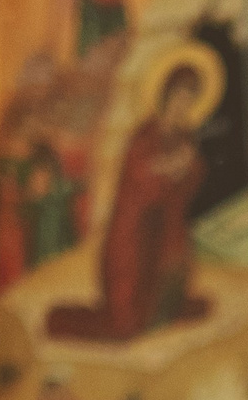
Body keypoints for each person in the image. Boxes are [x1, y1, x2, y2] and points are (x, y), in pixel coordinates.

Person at [47, 59, 213, 346]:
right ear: (166, 97)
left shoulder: (184, 136)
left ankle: (160, 311)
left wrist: (188, 167)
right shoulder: (144, 135)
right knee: (126, 325)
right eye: (179, 99)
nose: (183, 107)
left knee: (173, 280)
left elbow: (191, 180)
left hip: (165, 229)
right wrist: (170, 168)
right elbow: (141, 179)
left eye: (189, 101)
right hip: (136, 232)